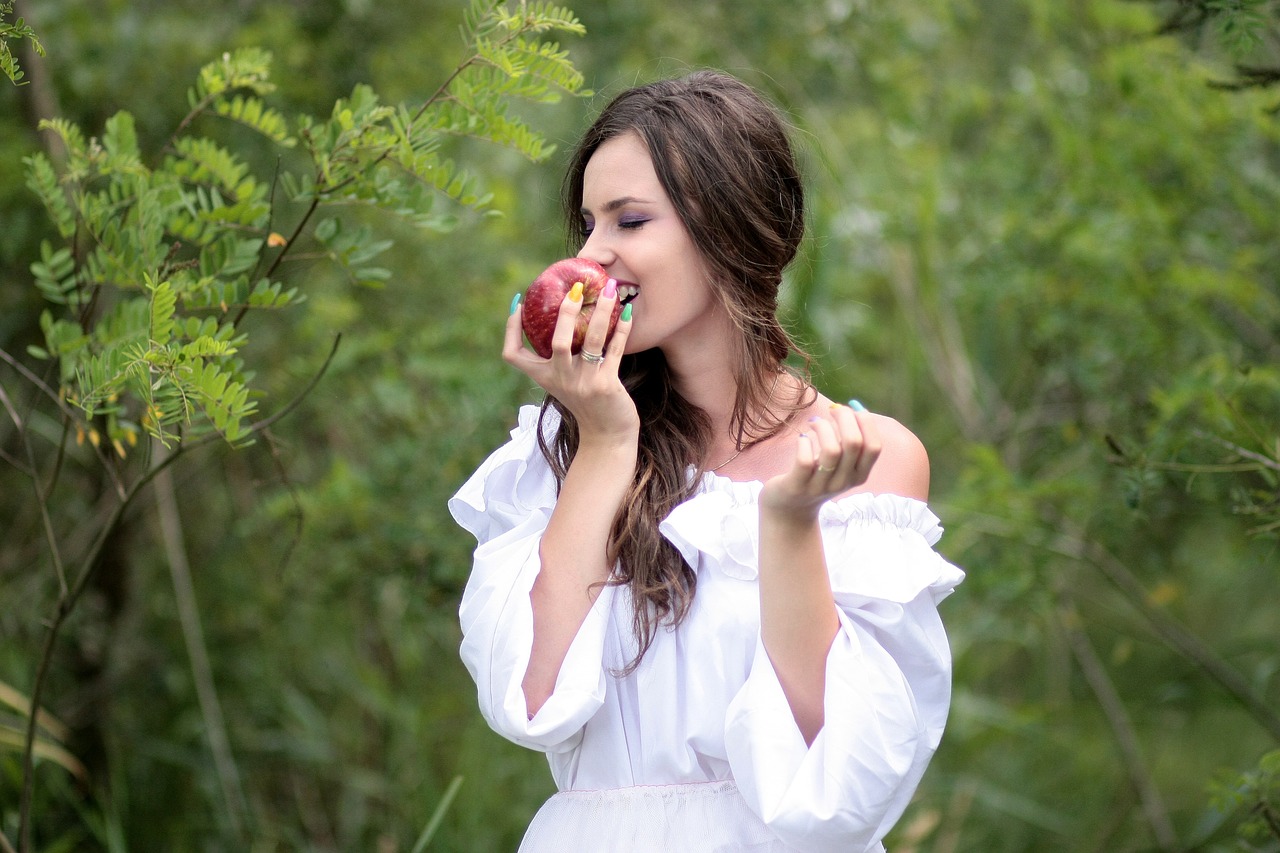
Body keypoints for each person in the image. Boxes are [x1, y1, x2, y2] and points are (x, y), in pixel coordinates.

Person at [448, 70, 965, 852]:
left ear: (726, 228)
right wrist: (607, 443)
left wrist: (789, 523)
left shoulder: (866, 459)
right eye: (587, 225)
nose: (594, 255)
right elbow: (531, 697)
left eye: (628, 220)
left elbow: (835, 778)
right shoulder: (563, 448)